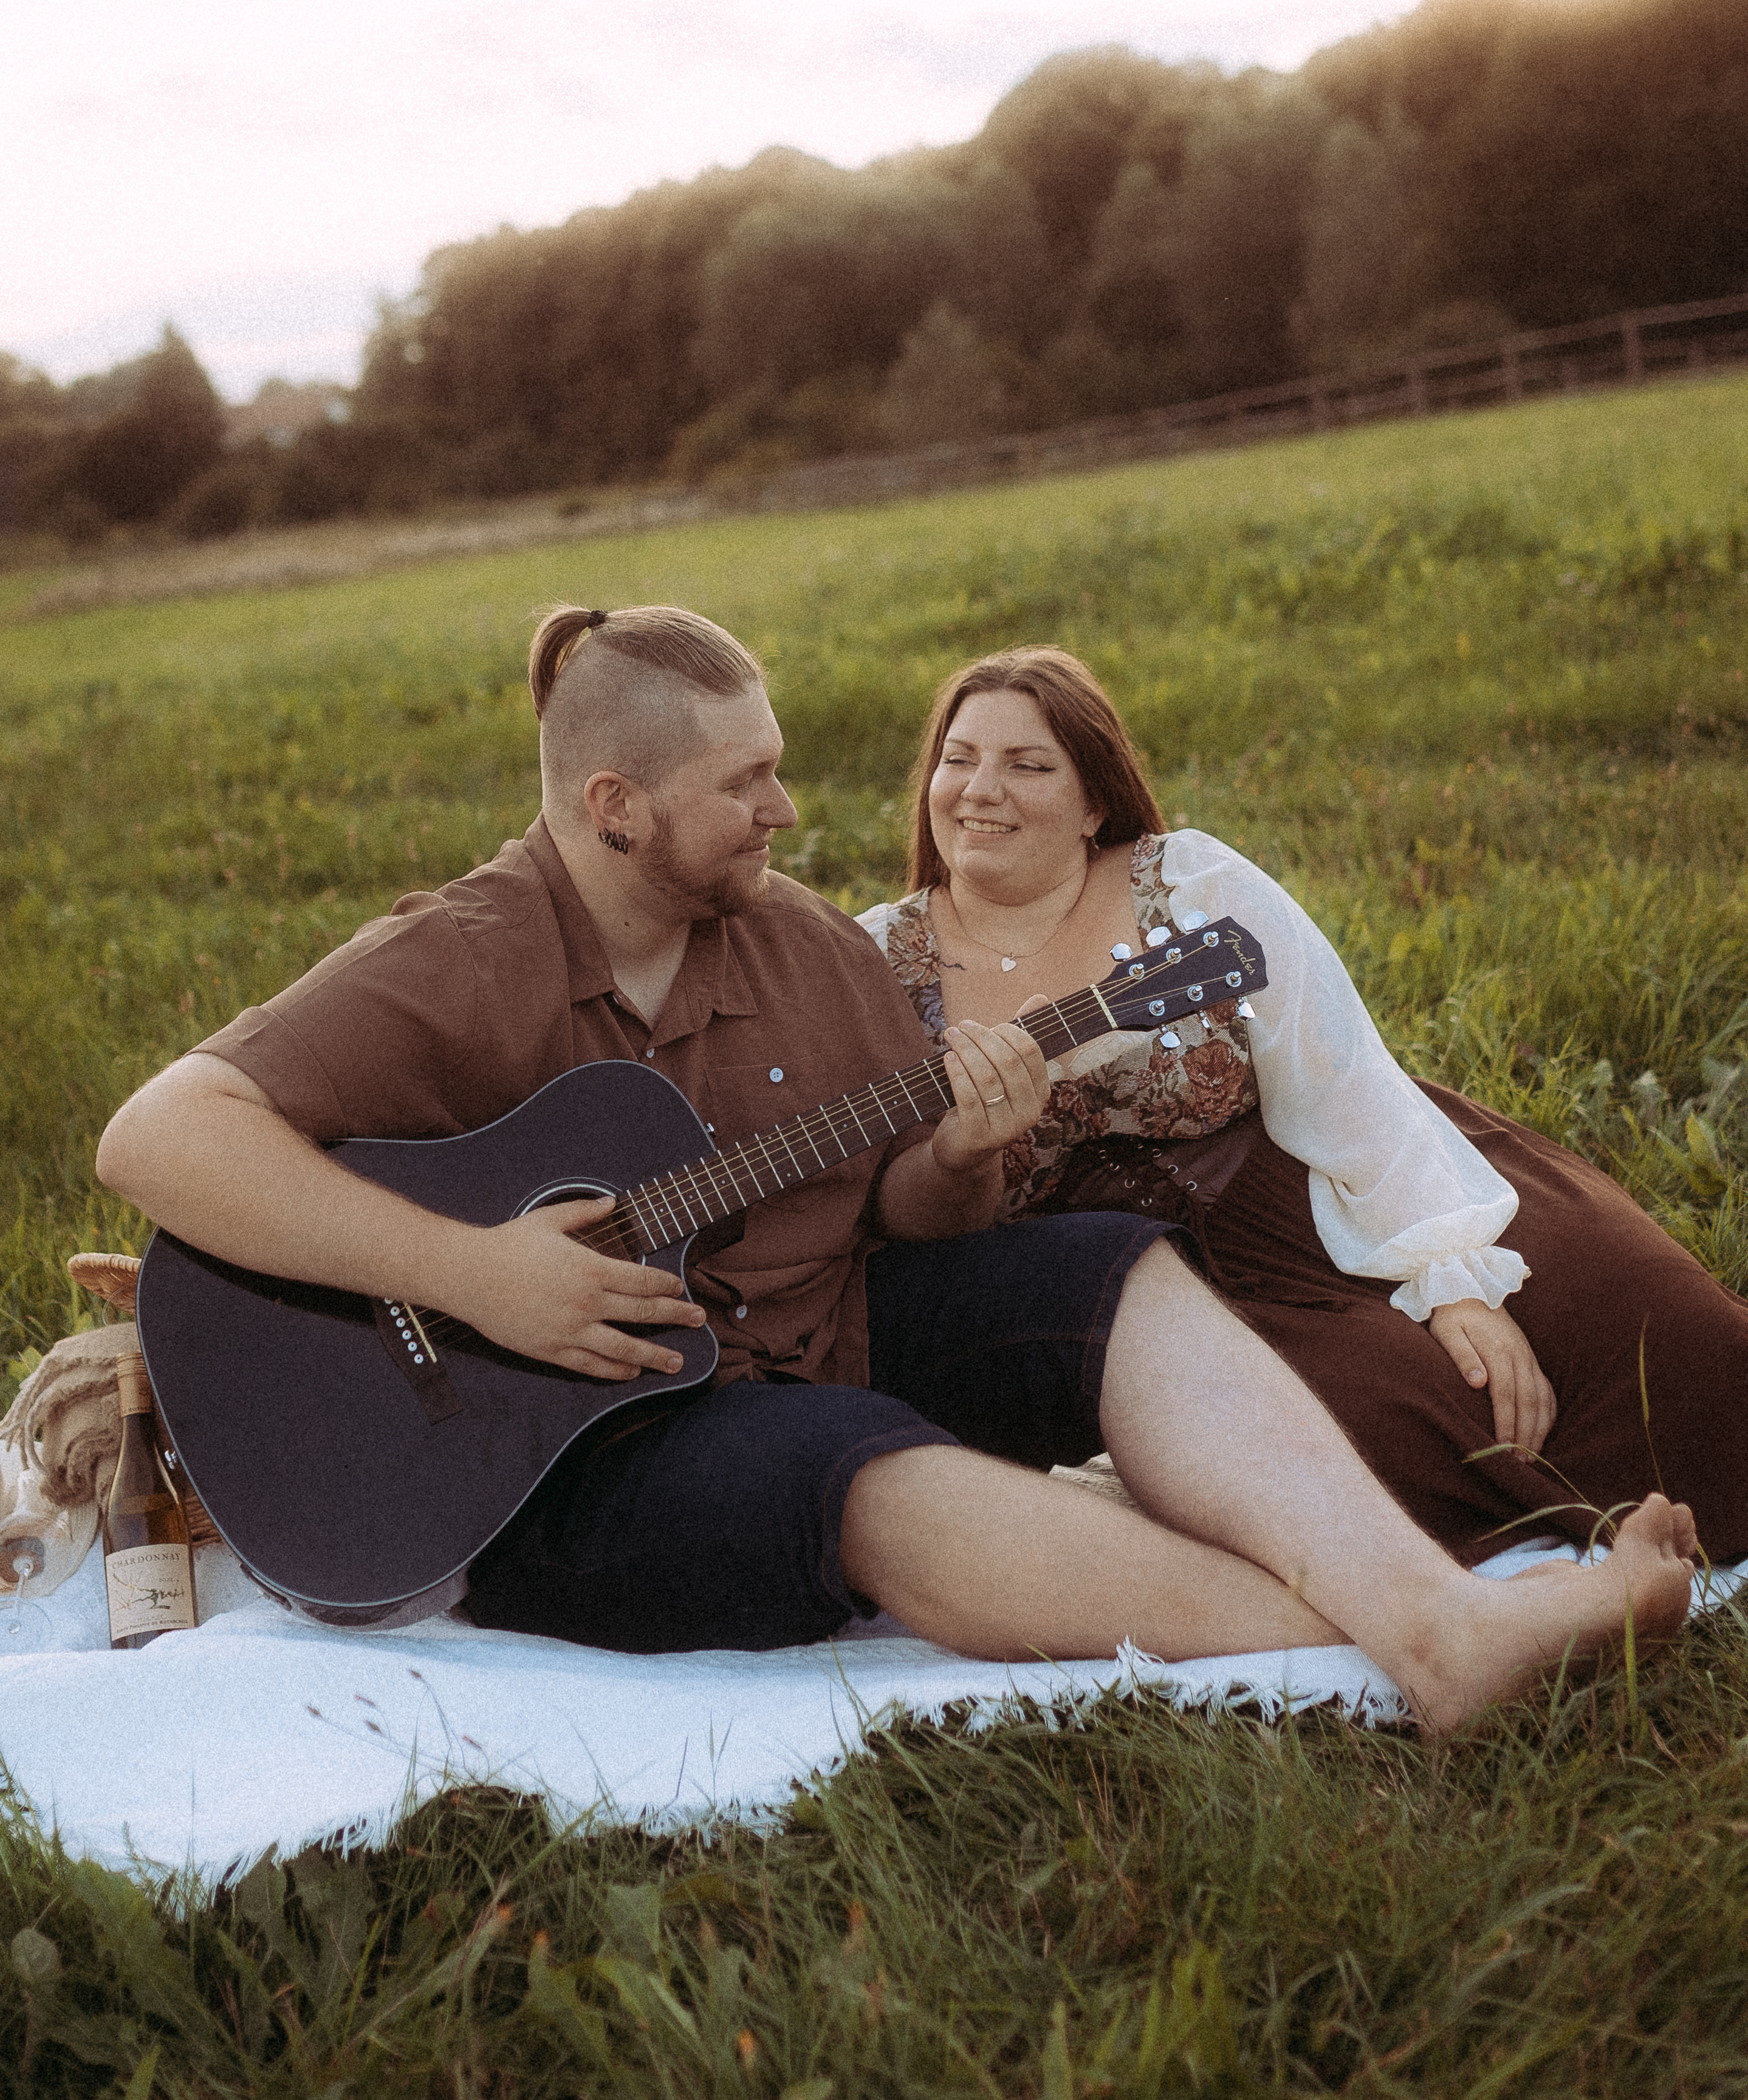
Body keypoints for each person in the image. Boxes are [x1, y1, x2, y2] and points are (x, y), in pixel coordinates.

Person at [96, 604, 1698, 1730]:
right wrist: (473, 1271)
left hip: (816, 1328)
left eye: (779, 764)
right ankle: (1434, 1631)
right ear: (614, 809)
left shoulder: (797, 946)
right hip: (551, 1458)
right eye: (746, 782)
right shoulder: (464, 957)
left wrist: (957, 1147)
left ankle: (1419, 1615)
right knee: (840, 1457)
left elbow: (902, 1215)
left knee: (1094, 1270)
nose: (791, 807)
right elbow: (156, 1136)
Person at [857, 646, 1748, 1568]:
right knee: (1390, 1415)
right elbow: (884, 1218)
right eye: (957, 760)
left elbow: (1342, 1076)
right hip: (1157, 1286)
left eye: (1026, 764)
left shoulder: (1189, 888)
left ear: (1094, 803)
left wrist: (1449, 1276)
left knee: (1658, 1323)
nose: (978, 790)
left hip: (1337, 1170)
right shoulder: (874, 962)